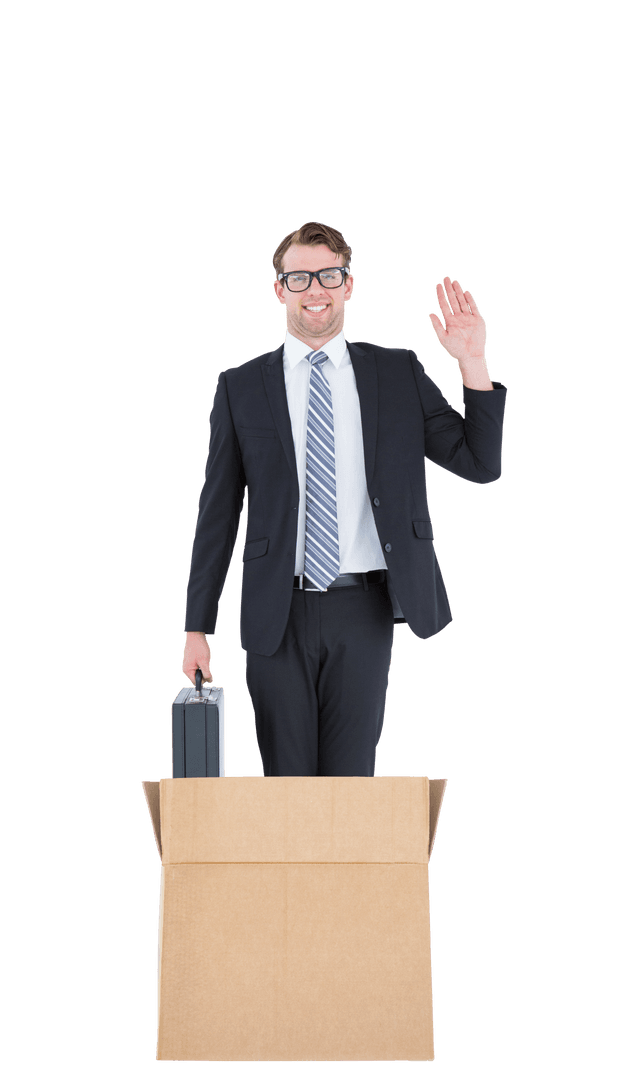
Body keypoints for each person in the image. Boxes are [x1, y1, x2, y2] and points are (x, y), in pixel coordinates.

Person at [182, 221, 507, 777]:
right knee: (286, 786)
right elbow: (216, 514)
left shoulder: (396, 370)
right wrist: (196, 628)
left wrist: (472, 363)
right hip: (274, 613)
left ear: (348, 284)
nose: (316, 289)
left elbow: (479, 464)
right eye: (300, 276)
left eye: (329, 275)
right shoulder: (239, 385)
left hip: (365, 610)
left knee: (350, 787)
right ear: (280, 289)